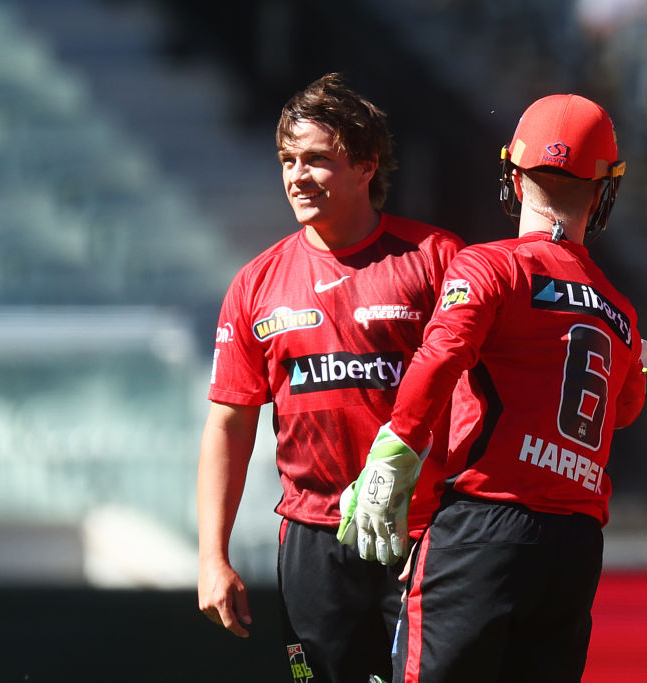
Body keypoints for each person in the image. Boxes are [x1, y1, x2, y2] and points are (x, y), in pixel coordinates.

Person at [337, 93, 647, 682]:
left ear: (513, 174)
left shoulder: (490, 266)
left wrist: (395, 449)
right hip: (575, 547)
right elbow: (626, 409)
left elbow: (442, 356)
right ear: (606, 189)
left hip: (484, 529)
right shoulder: (622, 312)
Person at [196, 73, 464, 683]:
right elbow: (229, 423)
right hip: (313, 541)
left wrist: (450, 516)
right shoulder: (255, 283)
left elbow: (474, 395)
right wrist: (213, 555)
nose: (296, 175)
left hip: (419, 536)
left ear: (367, 165)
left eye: (317, 159)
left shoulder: (435, 259)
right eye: (288, 160)